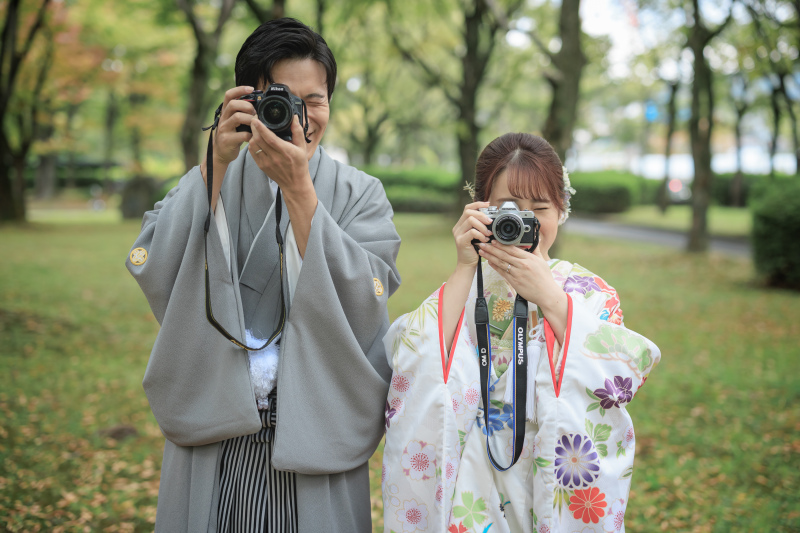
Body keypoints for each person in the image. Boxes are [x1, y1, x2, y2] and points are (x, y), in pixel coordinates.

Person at [126, 18, 401, 532]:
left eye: (315, 100)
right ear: (247, 100)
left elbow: (369, 297)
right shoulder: (214, 173)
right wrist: (213, 166)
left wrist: (300, 193)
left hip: (316, 423)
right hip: (217, 423)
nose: (301, 116)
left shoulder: (361, 192)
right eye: (283, 98)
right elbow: (155, 262)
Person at [381, 133, 660, 533]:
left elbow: (615, 381)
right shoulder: (468, 285)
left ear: (561, 210)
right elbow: (416, 360)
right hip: (469, 483)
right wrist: (464, 268)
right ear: (480, 209)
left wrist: (548, 295)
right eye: (506, 208)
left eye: (539, 208)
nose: (522, 219)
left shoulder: (590, 293)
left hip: (550, 474)